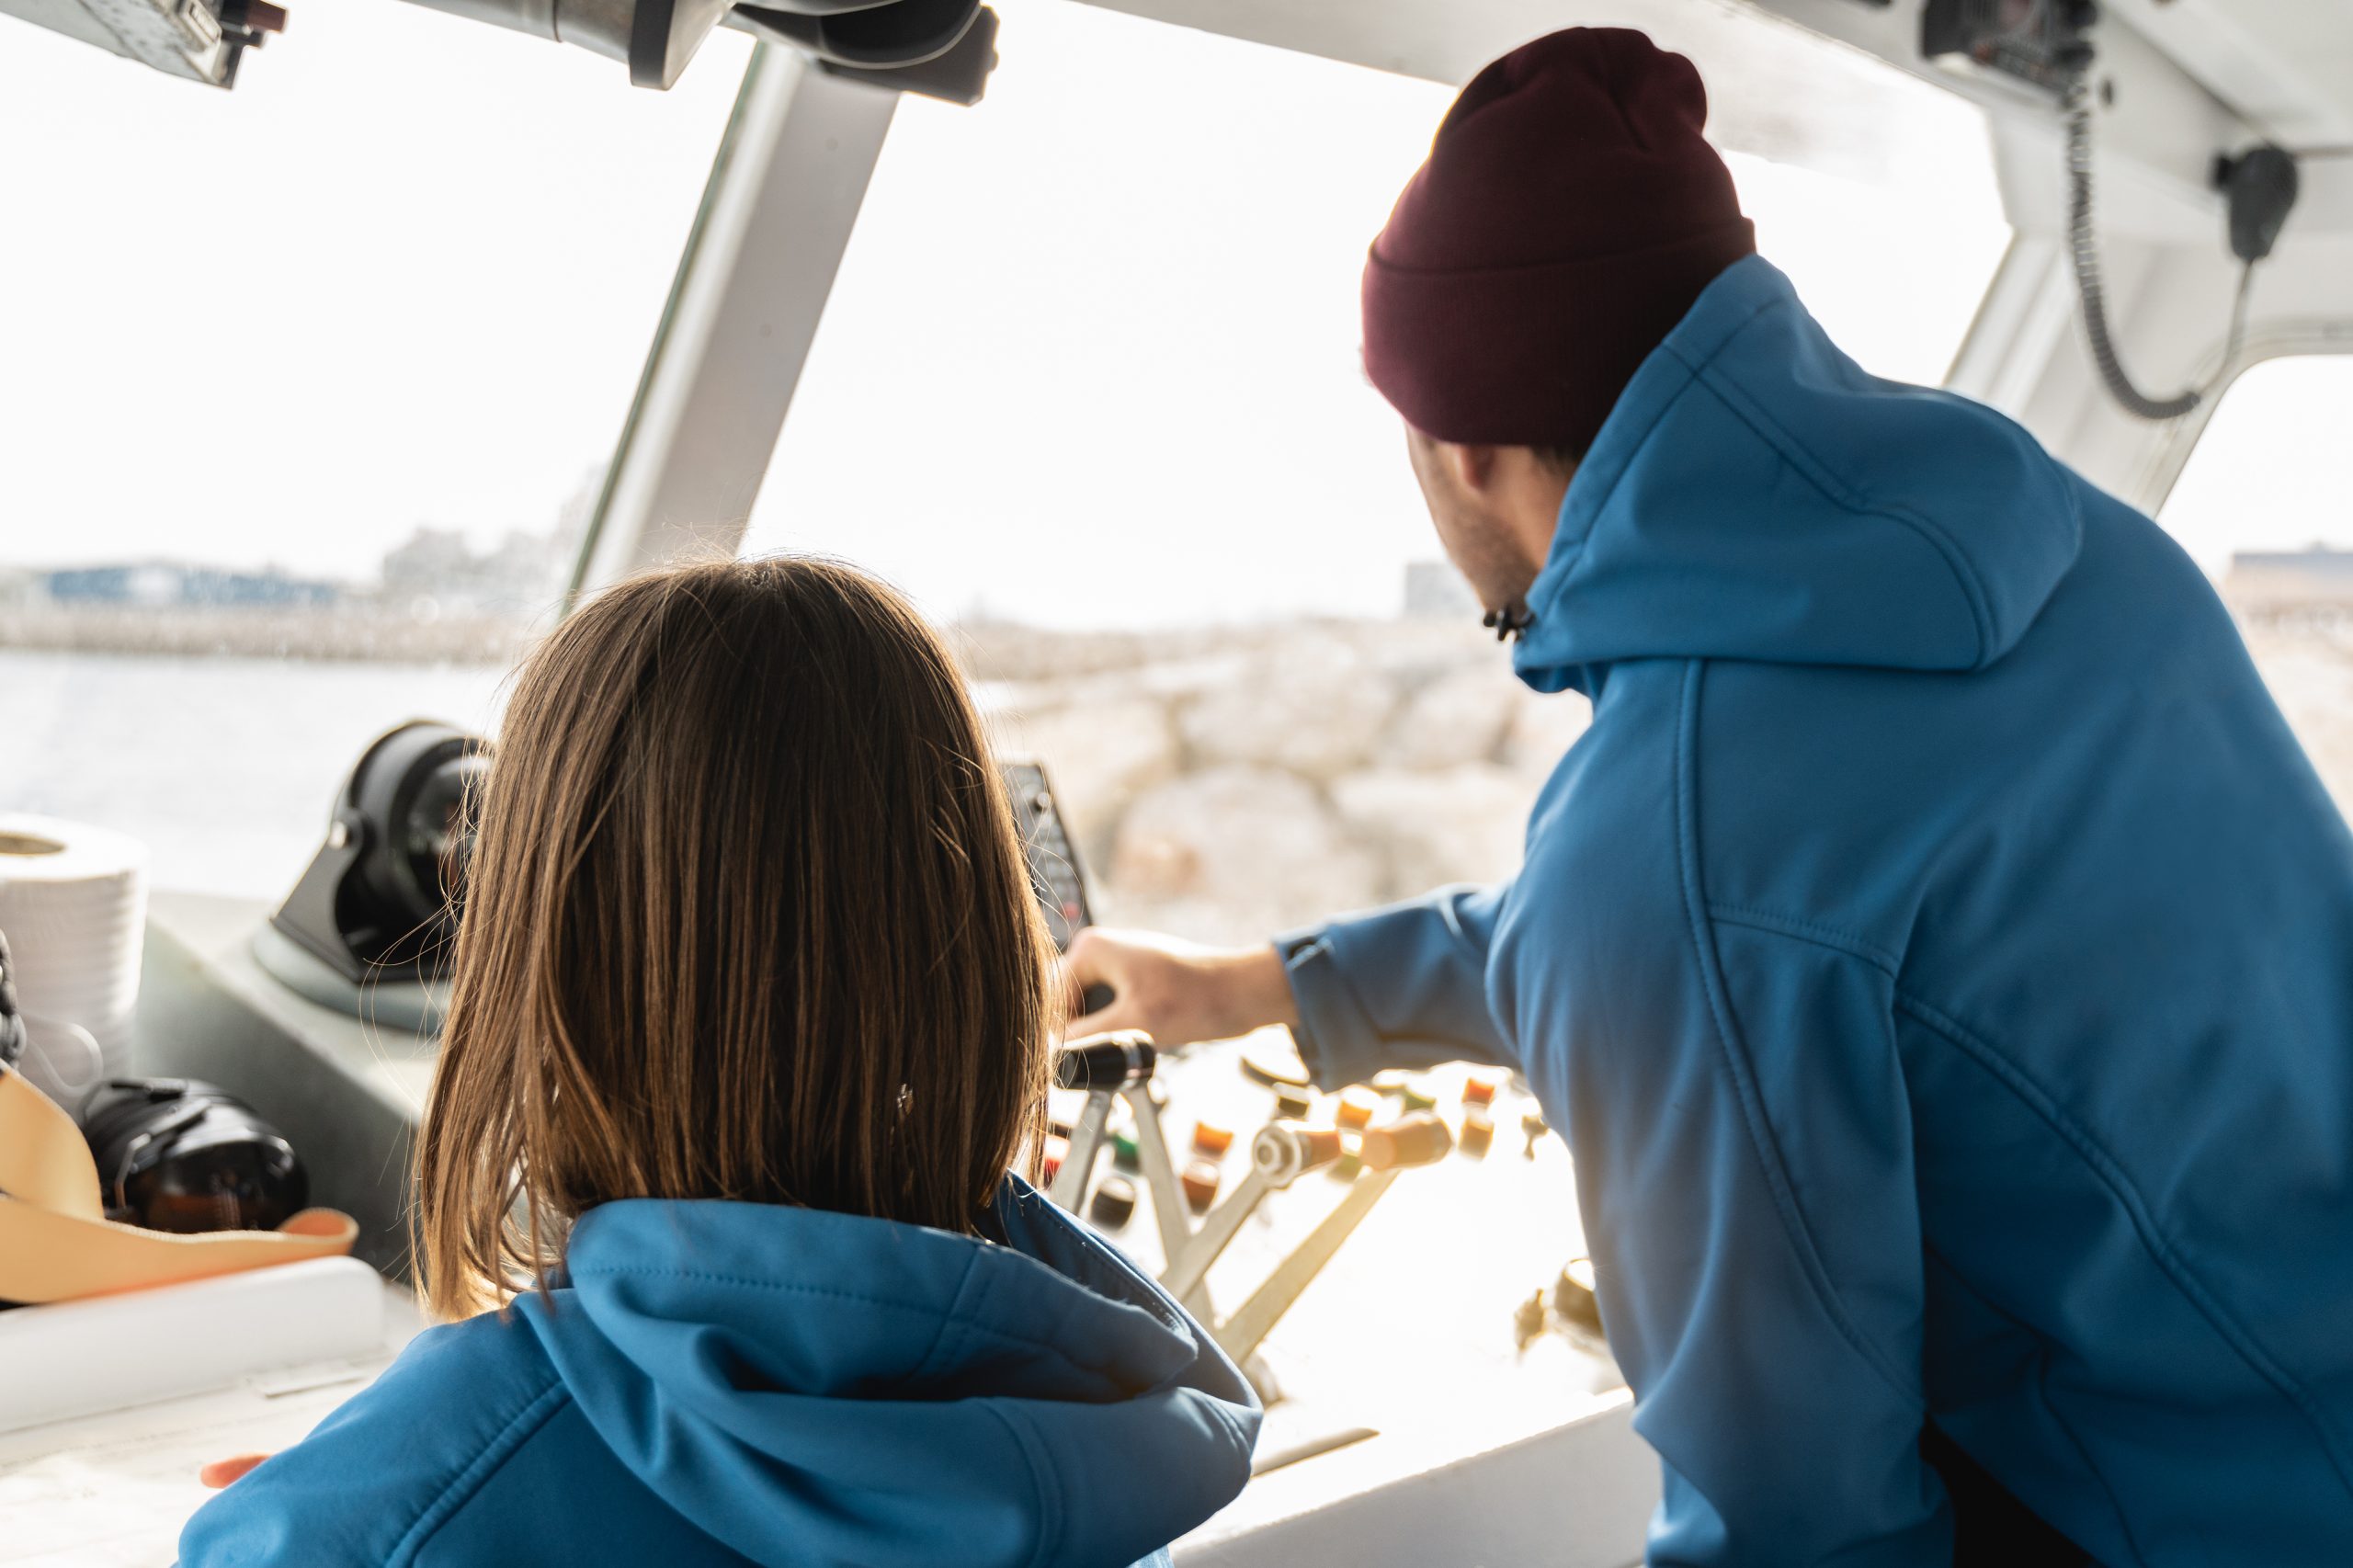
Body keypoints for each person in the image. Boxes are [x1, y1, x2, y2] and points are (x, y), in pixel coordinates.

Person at [1065, 27, 2353, 1565]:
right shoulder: (2063, 543)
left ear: (1458, 448)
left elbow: (1794, 1522)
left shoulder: (1674, 826)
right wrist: (1260, 984)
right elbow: (1757, 911)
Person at [177, 559, 1258, 1568]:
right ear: (980, 947)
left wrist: (365, 1502)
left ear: (542, 966)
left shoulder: (407, 1497)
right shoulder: (1092, 1428)